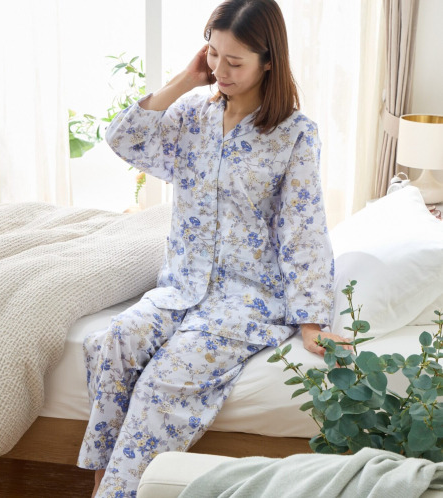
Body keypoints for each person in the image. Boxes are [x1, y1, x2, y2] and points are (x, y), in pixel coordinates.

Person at [77, 1, 343, 496]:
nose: (220, 69)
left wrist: (311, 320)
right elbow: (123, 139)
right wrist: (186, 78)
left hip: (246, 299)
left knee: (163, 380)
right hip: (180, 285)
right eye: (213, 53)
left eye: (235, 61)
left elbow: (303, 229)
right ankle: (102, 486)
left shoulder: (294, 135)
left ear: (269, 61)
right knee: (115, 341)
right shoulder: (192, 115)